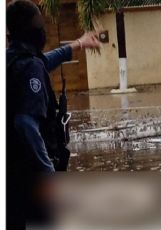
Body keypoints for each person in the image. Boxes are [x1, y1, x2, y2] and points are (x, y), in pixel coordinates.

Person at [6, 0, 100, 228]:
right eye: (38, 22)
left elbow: (44, 61)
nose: (42, 28)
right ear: (30, 28)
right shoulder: (29, 66)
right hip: (31, 176)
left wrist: (78, 44)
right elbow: (25, 123)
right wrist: (47, 170)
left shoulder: (13, 60)